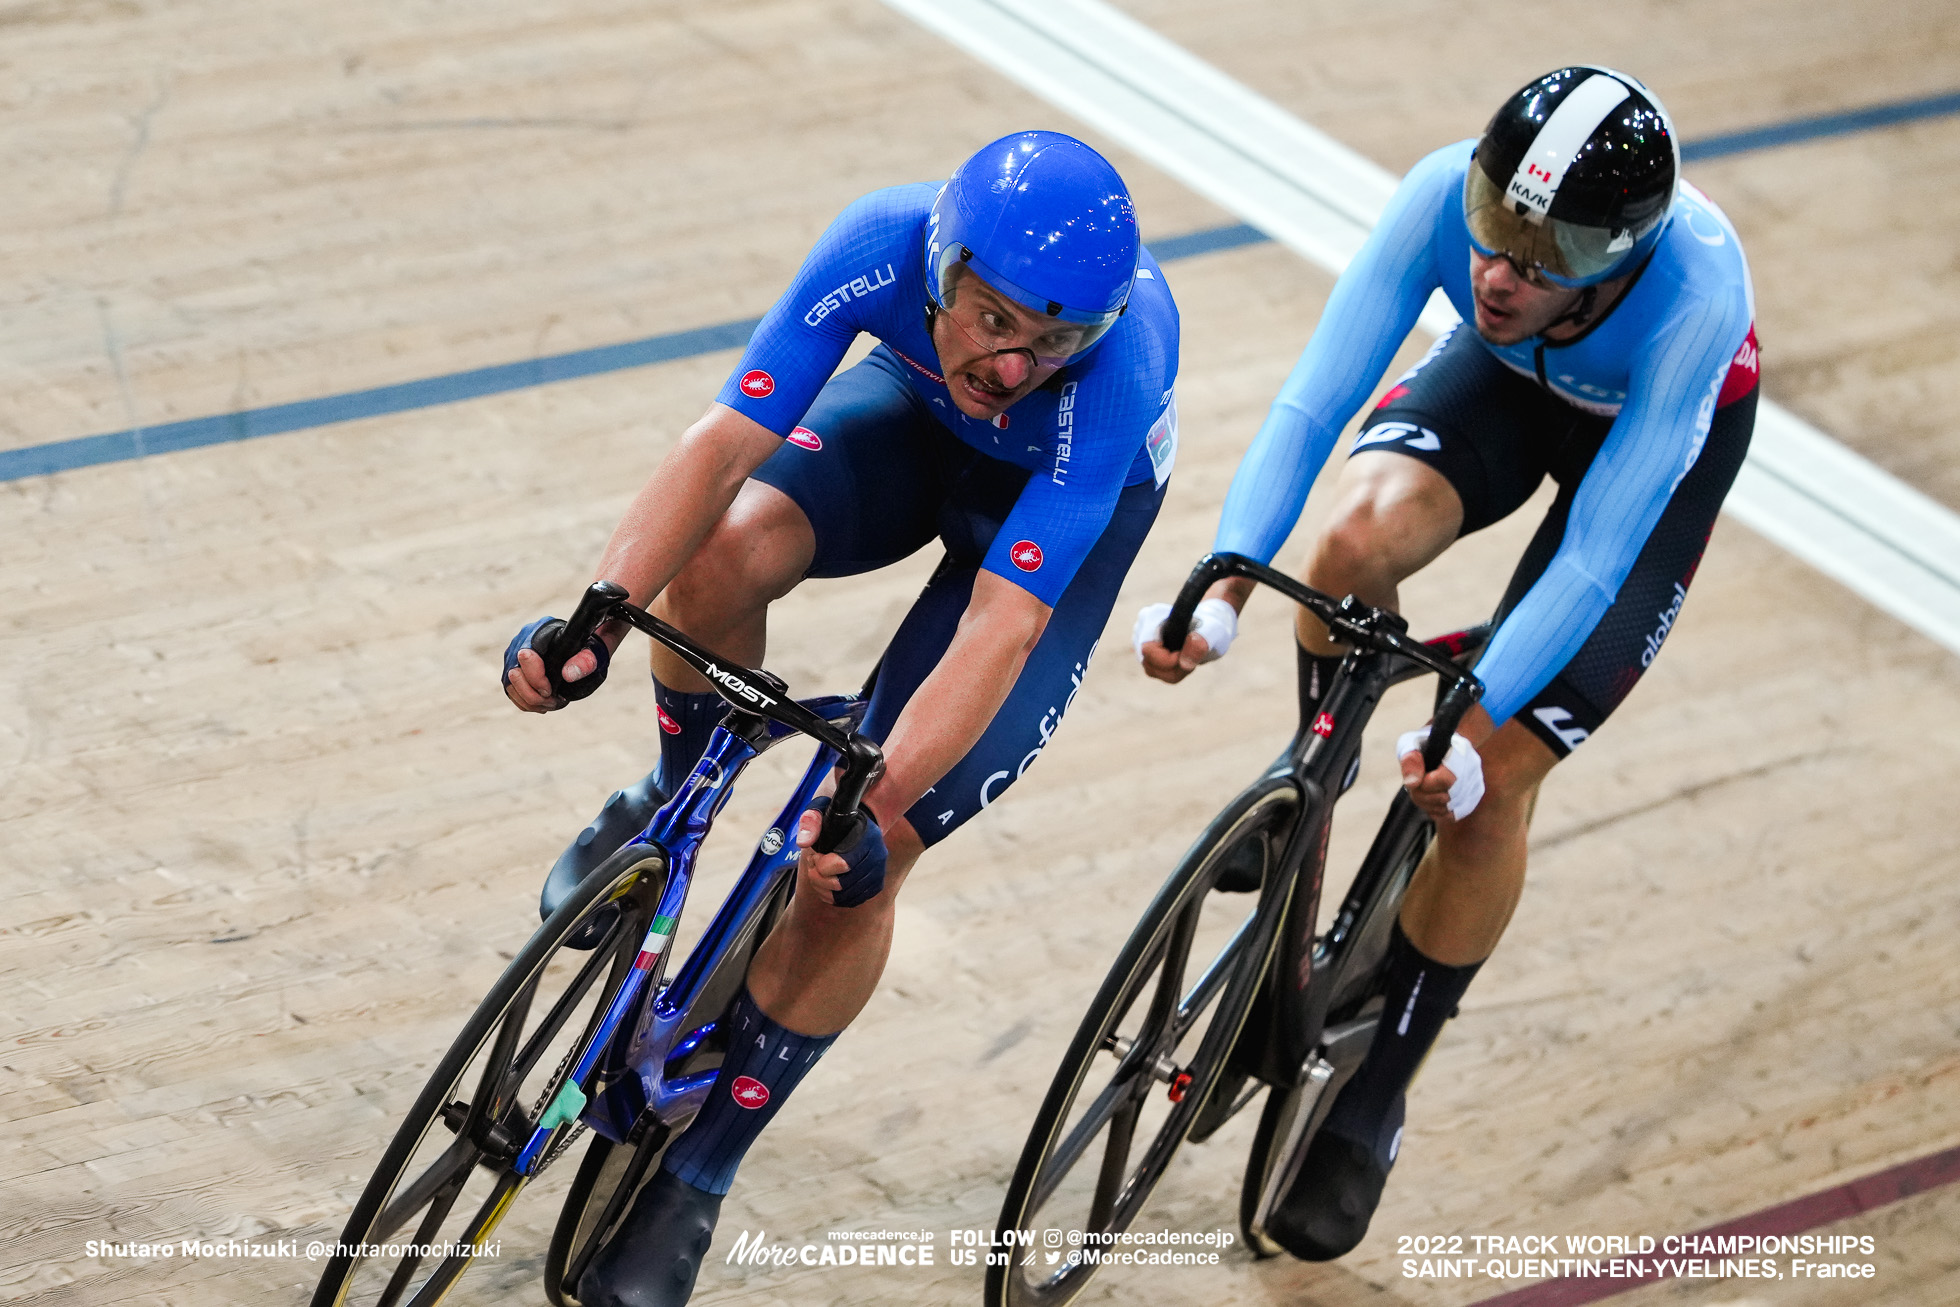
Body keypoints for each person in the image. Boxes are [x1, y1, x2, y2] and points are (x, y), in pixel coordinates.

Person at [503, 130, 1181, 1306]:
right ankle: (668, 800)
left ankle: (698, 1174)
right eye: (990, 319)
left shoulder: (1116, 371)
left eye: (1051, 342)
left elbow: (1000, 626)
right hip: (911, 436)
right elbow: (721, 446)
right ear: (940, 265)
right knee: (715, 558)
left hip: (1048, 535)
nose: (1013, 364)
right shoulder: (879, 238)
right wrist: (597, 618)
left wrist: (865, 808)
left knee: (861, 860)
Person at [1137, 66, 1759, 1259]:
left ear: (1624, 252)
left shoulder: (1695, 297)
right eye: (1494, 229)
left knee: (1486, 776)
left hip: (1645, 458)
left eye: (1547, 254)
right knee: (1348, 542)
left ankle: (1374, 1095)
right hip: (1506, 387)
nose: (1499, 272)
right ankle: (1309, 772)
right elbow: (1309, 409)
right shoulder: (1439, 200)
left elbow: (1590, 560)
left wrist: (1466, 721)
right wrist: (1223, 577)